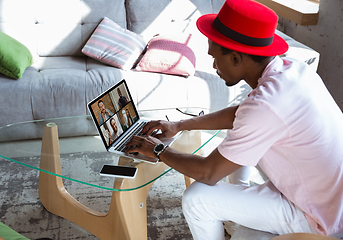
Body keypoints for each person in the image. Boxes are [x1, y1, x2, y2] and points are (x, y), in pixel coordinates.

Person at [126, 0, 343, 239]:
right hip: (329, 198)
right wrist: (179, 125)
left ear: (236, 59)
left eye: (215, 57)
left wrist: (157, 150)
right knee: (240, 133)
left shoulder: (266, 106)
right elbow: (243, 114)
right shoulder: (292, 70)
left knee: (196, 199)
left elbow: (208, 173)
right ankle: (233, 215)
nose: (213, 65)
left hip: (318, 218)